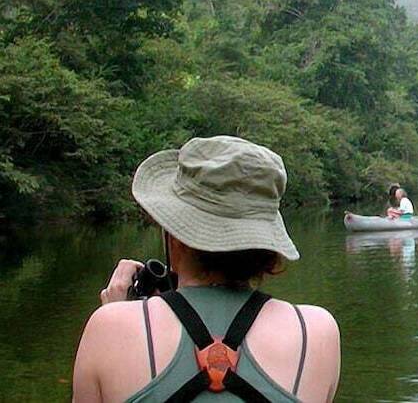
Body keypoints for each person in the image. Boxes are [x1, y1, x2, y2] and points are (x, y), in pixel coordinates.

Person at [73, 136, 340, 402]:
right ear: (266, 243)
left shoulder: (108, 327)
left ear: (175, 236)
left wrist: (117, 315)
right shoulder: (315, 332)